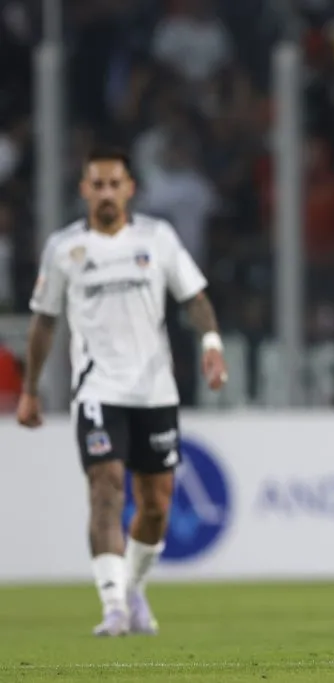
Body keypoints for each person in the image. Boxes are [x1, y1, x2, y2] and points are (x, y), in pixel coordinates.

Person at [16, 147, 228, 636]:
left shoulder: (157, 238)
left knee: (155, 507)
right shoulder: (64, 248)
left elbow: (193, 298)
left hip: (154, 391)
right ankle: (112, 606)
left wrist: (211, 343)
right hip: (97, 389)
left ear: (130, 188)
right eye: (98, 184)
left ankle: (131, 586)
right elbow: (44, 321)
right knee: (106, 487)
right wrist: (31, 390)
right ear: (84, 189)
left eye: (115, 184)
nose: (107, 192)